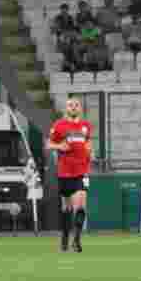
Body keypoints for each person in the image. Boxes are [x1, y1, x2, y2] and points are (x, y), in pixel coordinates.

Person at [45, 97, 92, 253]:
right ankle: (65, 237)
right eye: (70, 105)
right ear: (66, 108)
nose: (73, 107)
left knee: (81, 206)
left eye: (76, 105)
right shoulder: (59, 125)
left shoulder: (86, 126)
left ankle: (76, 240)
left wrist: (90, 151)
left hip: (82, 171)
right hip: (65, 172)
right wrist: (60, 146)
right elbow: (48, 144)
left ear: (80, 108)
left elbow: (88, 143)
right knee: (67, 208)